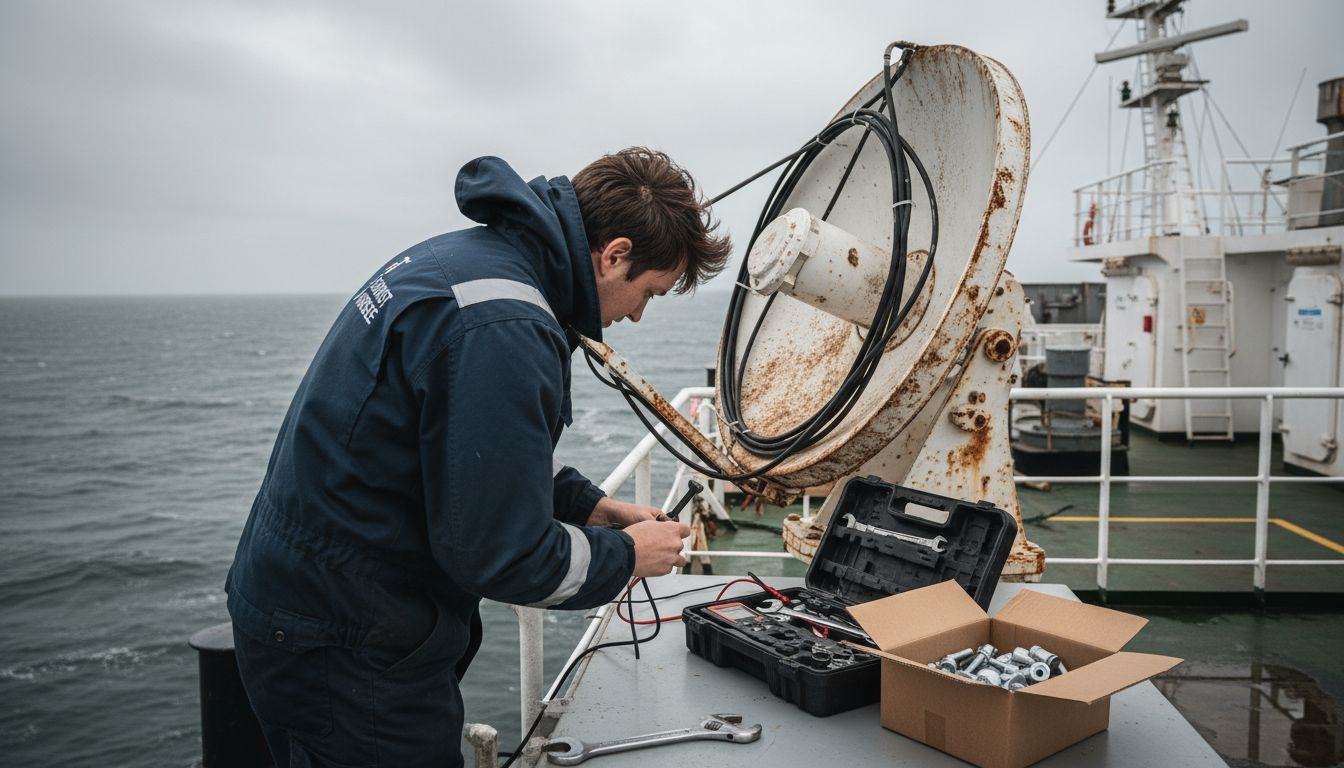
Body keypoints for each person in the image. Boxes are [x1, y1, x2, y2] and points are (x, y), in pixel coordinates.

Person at [224, 147, 731, 767]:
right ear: (615, 254)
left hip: (303, 608)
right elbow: (503, 553)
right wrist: (626, 556)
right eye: (647, 292)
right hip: (347, 648)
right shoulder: (505, 327)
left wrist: (588, 506)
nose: (638, 315)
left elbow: (462, 451)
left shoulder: (470, 262)